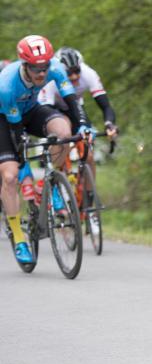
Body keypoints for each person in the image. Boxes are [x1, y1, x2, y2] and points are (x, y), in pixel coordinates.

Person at [0, 35, 92, 265]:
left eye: (44, 68)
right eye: (36, 69)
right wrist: (22, 162)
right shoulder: (7, 85)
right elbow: (16, 129)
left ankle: (50, 184)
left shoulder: (56, 68)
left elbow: (72, 101)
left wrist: (82, 125)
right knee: (10, 177)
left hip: (30, 110)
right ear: (24, 65)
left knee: (64, 130)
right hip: (5, 119)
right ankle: (19, 238)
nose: (42, 74)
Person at [38, 47, 119, 172]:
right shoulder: (52, 77)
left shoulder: (89, 74)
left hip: (75, 108)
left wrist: (109, 124)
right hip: (54, 108)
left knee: (89, 156)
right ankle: (55, 174)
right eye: (69, 73)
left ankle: (90, 191)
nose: (74, 76)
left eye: (77, 71)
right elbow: (45, 108)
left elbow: (105, 106)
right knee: (64, 132)